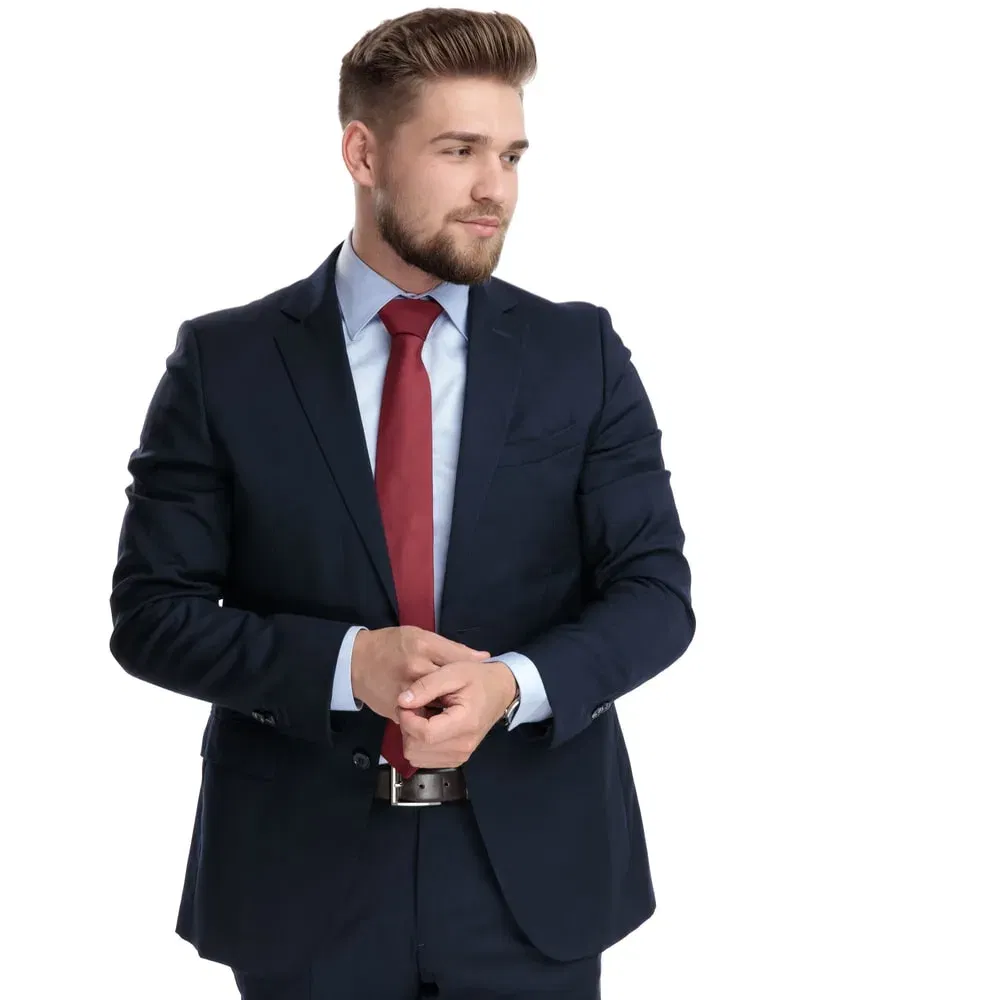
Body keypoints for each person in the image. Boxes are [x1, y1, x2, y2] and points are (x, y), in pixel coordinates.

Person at [109, 8, 695, 998]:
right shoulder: (227, 363)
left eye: (510, 153)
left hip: (531, 879)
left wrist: (514, 684)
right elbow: (152, 615)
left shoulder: (578, 354)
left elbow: (654, 592)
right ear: (363, 150)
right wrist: (347, 665)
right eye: (458, 149)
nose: (492, 189)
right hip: (302, 876)